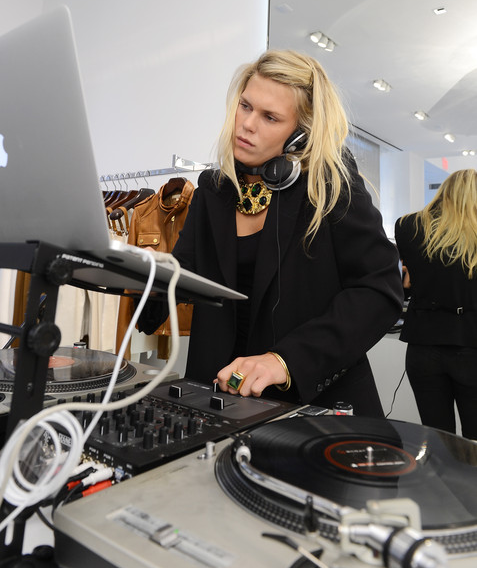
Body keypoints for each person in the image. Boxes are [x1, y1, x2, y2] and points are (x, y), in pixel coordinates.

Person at [137, 49, 403, 416]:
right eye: (245, 106)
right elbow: (184, 280)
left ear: (300, 135)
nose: (247, 124)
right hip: (218, 399)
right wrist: (141, 270)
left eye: (270, 117)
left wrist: (285, 361)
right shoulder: (212, 190)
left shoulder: (330, 186)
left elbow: (379, 291)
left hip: (311, 408)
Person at [395, 169, 477, 438]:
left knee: (438, 439)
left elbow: (409, 280)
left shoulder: (407, 226)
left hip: (424, 348)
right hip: (471, 346)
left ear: (444, 192)